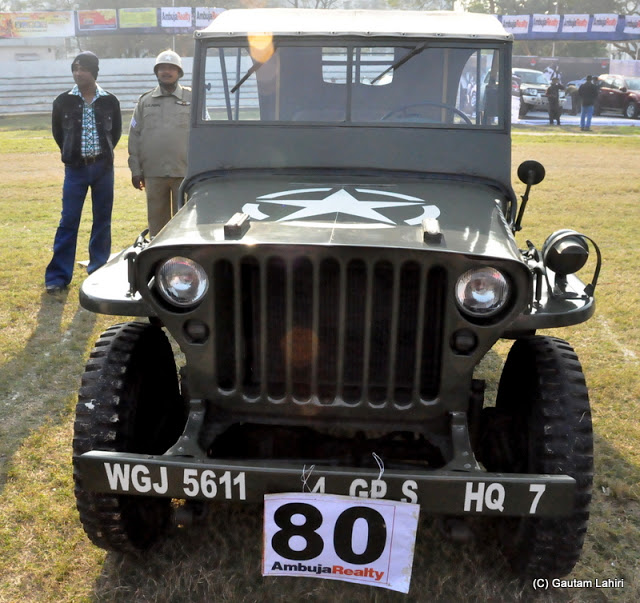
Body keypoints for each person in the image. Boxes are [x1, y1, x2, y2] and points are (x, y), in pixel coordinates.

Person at [45, 51, 121, 294]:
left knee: (102, 220)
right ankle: (57, 276)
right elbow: (59, 133)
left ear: (94, 71)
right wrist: (73, 154)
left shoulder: (110, 100)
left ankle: (98, 269)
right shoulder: (62, 101)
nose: (78, 73)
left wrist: (99, 157)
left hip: (103, 168)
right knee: (68, 221)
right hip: (75, 169)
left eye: (83, 68)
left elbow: (115, 133)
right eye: (75, 68)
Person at [128, 49, 192, 237]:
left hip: (185, 173)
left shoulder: (193, 98)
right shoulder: (145, 102)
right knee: (157, 226)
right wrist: (135, 170)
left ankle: (186, 263)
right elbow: (134, 136)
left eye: (171, 68)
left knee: (186, 223)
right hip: (153, 174)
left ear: (179, 73)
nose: (166, 71)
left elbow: (205, 134)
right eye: (162, 68)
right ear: (156, 72)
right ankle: (160, 261)